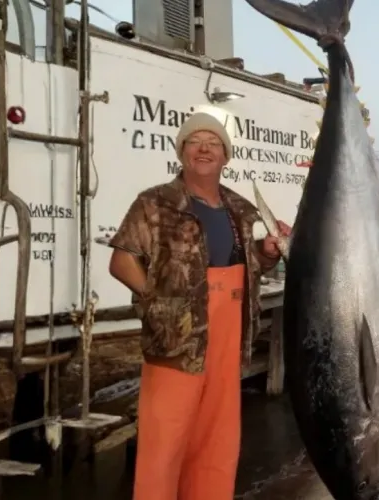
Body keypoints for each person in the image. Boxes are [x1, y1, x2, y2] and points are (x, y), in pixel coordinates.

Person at [108, 110, 291, 500]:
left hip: (229, 338)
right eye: (195, 142)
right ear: (182, 152)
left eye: (213, 143)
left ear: (225, 156)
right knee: (165, 444)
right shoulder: (155, 202)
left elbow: (242, 264)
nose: (204, 149)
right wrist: (159, 303)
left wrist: (267, 251)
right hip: (177, 340)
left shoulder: (238, 208)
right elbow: (122, 262)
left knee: (217, 442)